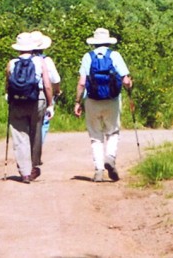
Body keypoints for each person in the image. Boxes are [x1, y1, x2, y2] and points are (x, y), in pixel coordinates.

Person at [73, 27, 132, 182]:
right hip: (112, 100)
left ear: (94, 43)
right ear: (108, 41)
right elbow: (125, 80)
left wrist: (77, 102)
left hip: (92, 100)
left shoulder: (88, 56)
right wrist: (129, 86)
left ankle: (99, 170)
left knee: (96, 136)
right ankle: (110, 157)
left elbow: (81, 82)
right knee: (113, 132)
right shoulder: (115, 55)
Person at [6, 32, 54, 183]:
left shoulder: (12, 63)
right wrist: (50, 104)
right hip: (37, 99)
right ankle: (33, 167)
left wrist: (8, 96)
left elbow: (8, 84)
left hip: (17, 101)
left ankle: (25, 172)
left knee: (20, 135)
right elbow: (47, 84)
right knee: (36, 132)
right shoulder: (40, 62)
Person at [29, 30, 61, 148]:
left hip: (23, 95)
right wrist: (56, 91)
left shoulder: (20, 60)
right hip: (41, 95)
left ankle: (27, 151)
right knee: (43, 123)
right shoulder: (46, 60)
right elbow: (55, 80)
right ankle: (35, 152)